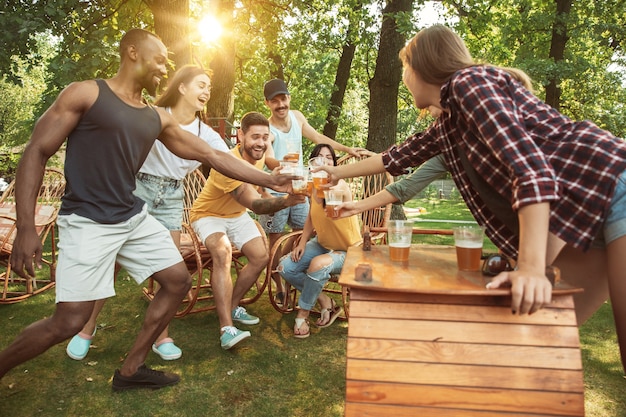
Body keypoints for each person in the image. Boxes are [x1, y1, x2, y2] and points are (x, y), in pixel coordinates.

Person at [314, 24, 626, 374]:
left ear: (420, 67)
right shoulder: (449, 123)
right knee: (536, 344)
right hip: (583, 209)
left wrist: (531, 269)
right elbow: (395, 158)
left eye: (404, 67)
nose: (403, 77)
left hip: (612, 182)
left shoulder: (467, 84)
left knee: (540, 337)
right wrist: (335, 173)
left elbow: (531, 172)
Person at [0, 28, 295, 391]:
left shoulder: (156, 117)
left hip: (131, 215)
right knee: (68, 320)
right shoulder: (86, 93)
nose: (164, 67)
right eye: (159, 59)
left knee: (176, 280)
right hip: (87, 220)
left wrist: (273, 181)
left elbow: (211, 155)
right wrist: (27, 226)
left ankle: (131, 369)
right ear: (132, 52)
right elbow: (36, 151)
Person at [65, 64, 230, 362]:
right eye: (201, 85)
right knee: (110, 263)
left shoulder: (205, 132)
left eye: (209, 87)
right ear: (181, 86)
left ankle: (161, 336)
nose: (207, 91)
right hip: (136, 189)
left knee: (168, 267)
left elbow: (227, 159)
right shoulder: (150, 114)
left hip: (171, 196)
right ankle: (86, 329)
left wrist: (269, 172)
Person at [190, 111, 306, 349]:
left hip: (236, 215)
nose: (261, 143)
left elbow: (261, 186)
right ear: (240, 135)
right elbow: (255, 204)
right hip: (208, 215)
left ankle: (231, 305)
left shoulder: (259, 157)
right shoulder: (227, 163)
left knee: (261, 257)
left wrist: (284, 181)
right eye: (255, 137)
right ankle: (225, 328)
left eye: (265, 137)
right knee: (222, 253)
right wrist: (287, 201)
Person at [260, 78, 369, 257]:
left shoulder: (297, 117)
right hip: (276, 190)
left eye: (283, 99)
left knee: (302, 230)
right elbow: (269, 159)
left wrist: (346, 148)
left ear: (289, 98)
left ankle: (283, 264)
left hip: (300, 189)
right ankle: (278, 282)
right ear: (267, 103)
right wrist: (284, 165)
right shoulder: (267, 129)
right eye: (274, 101)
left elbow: (319, 138)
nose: (280, 105)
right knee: (275, 237)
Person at [278, 144, 361, 338]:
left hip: (349, 250)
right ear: (311, 165)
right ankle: (325, 302)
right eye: (318, 158)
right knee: (285, 267)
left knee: (317, 265)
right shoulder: (313, 187)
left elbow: (331, 190)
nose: (324, 162)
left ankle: (303, 313)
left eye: (329, 158)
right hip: (322, 244)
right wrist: (302, 241)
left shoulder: (338, 185)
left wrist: (316, 184)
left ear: (334, 164)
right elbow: (311, 217)